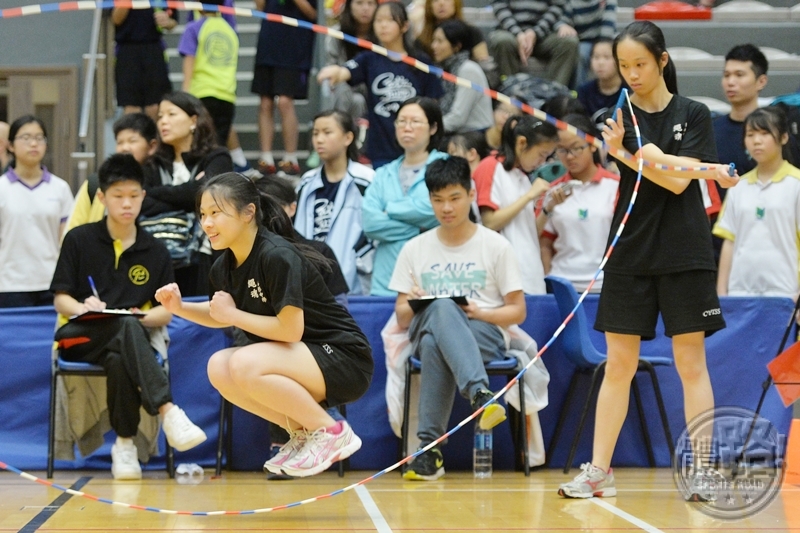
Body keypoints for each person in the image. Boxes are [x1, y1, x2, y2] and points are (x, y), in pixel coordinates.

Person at [557, 20, 740, 501]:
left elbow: (679, 183)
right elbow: (661, 172)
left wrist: (632, 156)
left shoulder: (694, 113)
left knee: (690, 364)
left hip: (685, 252)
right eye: (623, 66)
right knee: (618, 365)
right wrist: (630, 150)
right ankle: (600, 470)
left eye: (640, 64)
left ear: (662, 60)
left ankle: (702, 471)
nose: (631, 74)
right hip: (630, 251)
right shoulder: (620, 115)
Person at [155, 173, 374, 478]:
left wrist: (232, 315)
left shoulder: (276, 255)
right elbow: (221, 312)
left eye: (216, 213)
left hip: (342, 357)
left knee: (244, 361)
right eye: (203, 215)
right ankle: (301, 432)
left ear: (248, 213)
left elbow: (289, 330)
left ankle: (331, 430)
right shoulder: (223, 266)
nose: (206, 224)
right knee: (218, 366)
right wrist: (179, 308)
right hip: (301, 357)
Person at [51, 153, 207, 480]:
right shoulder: (79, 240)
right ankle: (167, 410)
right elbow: (61, 300)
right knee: (123, 330)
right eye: (118, 196)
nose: (127, 204)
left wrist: (143, 317)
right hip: (80, 335)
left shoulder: (155, 251)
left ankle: (124, 445)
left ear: (143, 198)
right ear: (101, 197)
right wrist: (84, 308)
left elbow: (166, 311)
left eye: (134, 196)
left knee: (120, 353)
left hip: (131, 336)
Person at [388, 156, 526, 480]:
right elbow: (402, 316)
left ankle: (429, 453)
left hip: (484, 331)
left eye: (454, 198)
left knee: (438, 342)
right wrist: (419, 300)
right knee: (440, 308)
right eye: (437, 200)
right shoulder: (415, 248)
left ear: (470, 194)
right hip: (425, 327)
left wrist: (482, 312)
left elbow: (518, 311)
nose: (446, 208)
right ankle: (480, 394)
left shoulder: (496, 246)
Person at [317, 1, 443, 169]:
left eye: (390, 20)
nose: (383, 26)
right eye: (378, 21)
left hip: (417, 149)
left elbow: (433, 105)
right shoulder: (369, 59)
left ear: (405, 26)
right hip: (381, 151)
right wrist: (335, 72)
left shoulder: (421, 63)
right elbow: (345, 71)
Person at [149, 92, 233, 296]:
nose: (163, 122)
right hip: (159, 256)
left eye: (171, 114)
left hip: (204, 256)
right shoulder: (153, 163)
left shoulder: (217, 157)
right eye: (160, 116)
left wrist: (156, 193)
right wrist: (191, 192)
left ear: (193, 120)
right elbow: (141, 203)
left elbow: (210, 197)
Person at [362, 97, 448, 296]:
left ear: (433, 128)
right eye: (401, 121)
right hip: (386, 282)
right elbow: (370, 223)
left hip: (433, 278)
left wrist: (390, 209)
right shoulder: (383, 173)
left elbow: (436, 211)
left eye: (415, 122)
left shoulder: (445, 165)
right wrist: (420, 227)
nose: (407, 128)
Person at [714, 107, 800, 298]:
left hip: (786, 292)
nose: (756, 141)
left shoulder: (796, 184)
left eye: (765, 133)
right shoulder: (738, 185)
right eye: (750, 134)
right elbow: (729, 240)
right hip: (740, 293)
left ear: (784, 137)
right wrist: (721, 292)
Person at [473, 115, 558, 294]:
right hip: (503, 279)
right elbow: (489, 222)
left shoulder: (522, 177)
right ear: (521, 143)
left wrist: (547, 209)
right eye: (541, 154)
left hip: (530, 276)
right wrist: (529, 196)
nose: (542, 162)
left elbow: (529, 233)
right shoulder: (490, 166)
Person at [295, 110, 375, 295]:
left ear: (348, 137)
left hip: (352, 282)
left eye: (327, 132)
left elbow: (375, 231)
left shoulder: (366, 180)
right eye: (315, 133)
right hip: (309, 283)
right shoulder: (306, 182)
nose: (319, 139)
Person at [539, 113, 619, 292]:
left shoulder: (615, 187)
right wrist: (548, 278)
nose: (569, 157)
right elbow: (544, 242)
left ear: (592, 145)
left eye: (576, 148)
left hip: (605, 284)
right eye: (562, 150)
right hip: (563, 283)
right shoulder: (552, 191)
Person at [0, 115, 73, 308]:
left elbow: (66, 240)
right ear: (10, 145)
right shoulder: (1, 188)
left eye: (39, 138)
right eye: (25, 138)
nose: (33, 143)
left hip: (51, 283)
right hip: (9, 285)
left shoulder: (60, 188)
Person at [253, 0, 319, 176]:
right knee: (265, 102)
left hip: (294, 46)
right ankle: (265, 159)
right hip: (268, 42)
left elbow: (314, 14)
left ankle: (291, 159)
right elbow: (260, 6)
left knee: (284, 102)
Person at [66, 113, 159, 232]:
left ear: (151, 147)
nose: (125, 148)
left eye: (132, 141)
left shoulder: (160, 181)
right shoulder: (95, 183)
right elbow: (73, 229)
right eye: (120, 142)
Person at [179, 0, 239, 147]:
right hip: (227, 95)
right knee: (219, 146)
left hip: (202, 94)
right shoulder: (230, 30)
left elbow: (189, 60)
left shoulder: (194, 28)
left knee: (201, 145)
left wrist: (185, 93)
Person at [488, 0, 579, 87]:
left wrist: (535, 33)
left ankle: (552, 95)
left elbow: (557, 6)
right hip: (509, 31)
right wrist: (517, 33)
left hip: (544, 33)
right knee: (502, 40)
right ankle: (512, 92)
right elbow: (499, 6)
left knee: (569, 42)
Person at [713, 44, 769, 180]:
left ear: (761, 82)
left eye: (739, 75)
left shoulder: (774, 130)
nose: (731, 82)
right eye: (726, 75)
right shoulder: (710, 129)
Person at [111, 5, 176, 120]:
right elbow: (116, 19)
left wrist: (167, 21)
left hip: (153, 48)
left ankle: (155, 137)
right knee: (131, 106)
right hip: (127, 49)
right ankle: (133, 136)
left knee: (156, 105)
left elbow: (173, 21)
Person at [414, 0, 498, 87]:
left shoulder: (471, 32)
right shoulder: (422, 40)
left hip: (468, 84)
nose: (441, 3)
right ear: (429, 6)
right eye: (435, 0)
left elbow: (485, 66)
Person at [431, 20, 494, 134]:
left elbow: (458, 117)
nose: (433, 46)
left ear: (457, 46)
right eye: (433, 40)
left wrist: (428, 129)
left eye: (439, 41)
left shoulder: (468, 70)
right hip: (456, 132)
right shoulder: (444, 68)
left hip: (474, 135)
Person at [324, 0, 377, 125]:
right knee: (352, 97)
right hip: (345, 88)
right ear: (349, 6)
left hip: (374, 86)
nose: (365, 8)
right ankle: (339, 130)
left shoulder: (383, 34)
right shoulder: (337, 34)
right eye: (359, 3)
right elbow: (331, 66)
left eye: (370, 4)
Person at [558, 0, 618, 87]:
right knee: (581, 53)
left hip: (606, 39)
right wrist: (562, 26)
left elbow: (608, 27)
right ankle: (579, 93)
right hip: (583, 41)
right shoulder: (571, 2)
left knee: (617, 50)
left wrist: (601, 49)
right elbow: (563, 21)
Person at [576, 38, 625, 129]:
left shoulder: (628, 92)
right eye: (596, 57)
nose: (600, 63)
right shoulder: (584, 91)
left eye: (607, 57)